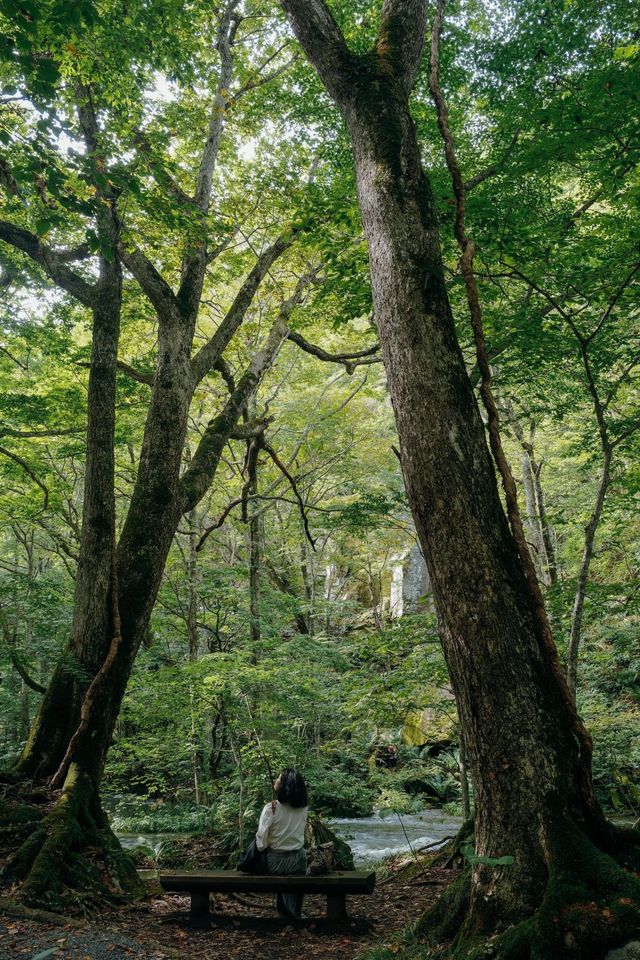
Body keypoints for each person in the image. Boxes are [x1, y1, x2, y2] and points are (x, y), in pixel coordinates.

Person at [255, 768, 309, 918]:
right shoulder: (303, 808)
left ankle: (286, 913)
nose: (276, 781)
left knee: (274, 861)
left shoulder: (271, 808)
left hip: (275, 862)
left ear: (284, 785)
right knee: (295, 872)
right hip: (298, 860)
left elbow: (261, 842)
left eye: (279, 779)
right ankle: (294, 912)